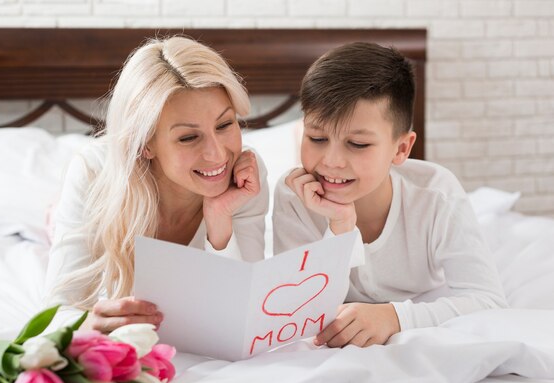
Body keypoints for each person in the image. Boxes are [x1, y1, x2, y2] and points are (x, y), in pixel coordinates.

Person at [273, 42, 507, 349]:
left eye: (357, 144)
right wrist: (340, 227)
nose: (331, 161)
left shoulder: (436, 194)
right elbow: (299, 312)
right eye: (316, 138)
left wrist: (395, 317)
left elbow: (490, 302)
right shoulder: (294, 197)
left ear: (401, 149)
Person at [45, 36, 268, 333]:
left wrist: (219, 219)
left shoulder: (244, 175)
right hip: (102, 195)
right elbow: (54, 315)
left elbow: (245, 313)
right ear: (145, 144)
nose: (217, 154)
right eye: (189, 137)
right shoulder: (92, 171)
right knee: (54, 222)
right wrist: (87, 324)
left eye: (225, 125)